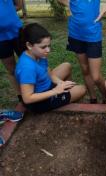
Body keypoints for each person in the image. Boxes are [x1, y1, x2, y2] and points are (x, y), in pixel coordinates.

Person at [15, 23, 86, 113]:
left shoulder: (38, 54)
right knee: (82, 89)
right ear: (29, 45)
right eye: (43, 47)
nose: (48, 50)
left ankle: (66, 93)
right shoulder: (27, 68)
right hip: (38, 102)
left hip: (46, 85)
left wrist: (61, 83)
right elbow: (27, 98)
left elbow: (49, 73)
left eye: (49, 46)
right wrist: (55, 91)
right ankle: (65, 99)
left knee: (66, 66)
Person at [57, 0, 106, 104]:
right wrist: (68, 4)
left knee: (96, 76)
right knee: (85, 69)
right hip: (76, 33)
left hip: (93, 34)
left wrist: (105, 9)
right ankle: (93, 98)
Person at [0, 0, 24, 147]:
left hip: (16, 31)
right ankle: (22, 97)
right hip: (0, 39)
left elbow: (19, 5)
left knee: (28, 63)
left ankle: (37, 91)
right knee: (11, 69)